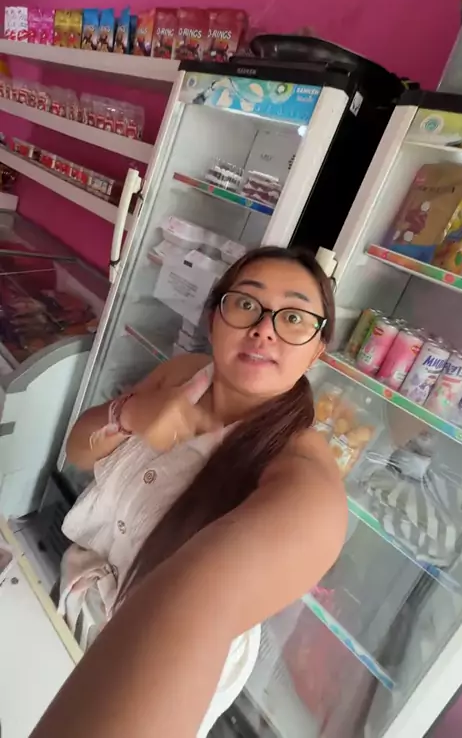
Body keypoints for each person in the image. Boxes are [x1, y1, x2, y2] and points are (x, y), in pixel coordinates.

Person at [34, 245, 347, 738]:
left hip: (149, 676)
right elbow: (79, 450)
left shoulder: (299, 474)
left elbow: (205, 600)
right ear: (212, 318)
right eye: (246, 304)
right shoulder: (184, 375)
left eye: (293, 318)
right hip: (70, 605)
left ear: (317, 349)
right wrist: (130, 414)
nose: (264, 329)